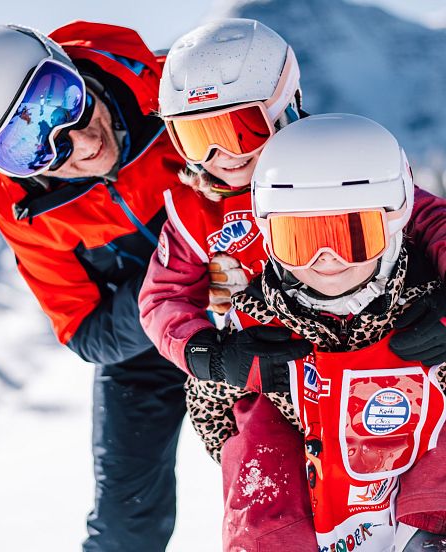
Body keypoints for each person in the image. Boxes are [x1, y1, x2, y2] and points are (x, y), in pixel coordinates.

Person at [138, 18, 446, 549]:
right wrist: (211, 355)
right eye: (198, 139)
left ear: (284, 105)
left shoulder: (333, 162)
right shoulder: (194, 211)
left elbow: (426, 219)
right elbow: (162, 298)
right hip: (271, 359)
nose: (224, 156)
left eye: (240, 129)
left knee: (419, 427)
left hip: (375, 332)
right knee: (260, 456)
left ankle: (430, 523)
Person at [0, 22, 187, 551]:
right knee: (125, 525)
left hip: (257, 299)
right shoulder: (19, 206)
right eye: (32, 147)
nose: (87, 143)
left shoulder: (177, 89)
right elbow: (86, 331)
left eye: (63, 101)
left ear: (67, 64)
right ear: (7, 168)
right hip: (141, 341)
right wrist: (175, 285)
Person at [217, 113, 446, 551]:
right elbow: (215, 409)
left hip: (417, 509)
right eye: (300, 240)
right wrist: (222, 366)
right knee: (255, 431)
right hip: (301, 512)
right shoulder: (259, 321)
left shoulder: (423, 305)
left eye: (351, 235)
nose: (327, 260)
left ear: (394, 222)